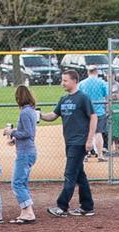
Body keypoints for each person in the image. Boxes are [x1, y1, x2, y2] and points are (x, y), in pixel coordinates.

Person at [49, 67, 96, 217]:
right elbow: (53, 115)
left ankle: (62, 207)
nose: (62, 83)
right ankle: (87, 206)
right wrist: (38, 114)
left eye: (65, 80)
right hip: (69, 142)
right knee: (79, 175)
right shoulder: (64, 99)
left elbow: (93, 117)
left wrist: (89, 140)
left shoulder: (83, 97)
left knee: (69, 174)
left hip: (79, 142)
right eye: (62, 80)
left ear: (74, 81)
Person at [5, 84, 39, 222]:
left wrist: (11, 132)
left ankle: (29, 213)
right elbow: (26, 134)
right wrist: (15, 139)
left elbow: (28, 133)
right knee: (22, 182)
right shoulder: (31, 110)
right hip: (27, 150)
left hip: (25, 153)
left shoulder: (25, 112)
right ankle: (25, 212)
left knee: (17, 183)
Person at [79, 67, 111, 157]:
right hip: (99, 111)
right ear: (96, 72)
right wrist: (107, 108)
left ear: (88, 72)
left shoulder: (82, 83)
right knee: (98, 133)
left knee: (86, 133)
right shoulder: (102, 82)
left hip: (86, 111)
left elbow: (79, 96)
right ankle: (100, 154)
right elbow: (108, 96)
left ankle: (85, 155)